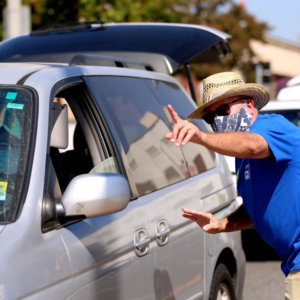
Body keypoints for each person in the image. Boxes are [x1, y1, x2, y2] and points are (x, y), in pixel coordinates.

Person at [165, 71, 300, 300]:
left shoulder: (274, 127)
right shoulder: (242, 158)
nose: (217, 120)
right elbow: (255, 208)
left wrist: (201, 137)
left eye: (222, 110)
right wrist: (221, 224)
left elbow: (254, 145)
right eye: (210, 118)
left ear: (248, 103)